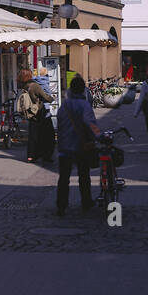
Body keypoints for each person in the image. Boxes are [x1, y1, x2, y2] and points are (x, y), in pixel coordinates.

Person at [56, 75, 99, 215]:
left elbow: (59, 121)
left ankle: (61, 205)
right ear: (83, 90)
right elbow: (90, 123)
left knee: (64, 178)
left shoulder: (65, 104)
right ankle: (86, 202)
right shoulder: (84, 104)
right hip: (81, 146)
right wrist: (99, 136)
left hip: (64, 146)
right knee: (84, 176)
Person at [18, 67, 54, 163]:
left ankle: (31, 155)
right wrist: (52, 99)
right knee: (48, 134)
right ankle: (46, 155)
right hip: (39, 112)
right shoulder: (34, 86)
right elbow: (45, 97)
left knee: (33, 134)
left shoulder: (24, 86)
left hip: (30, 112)